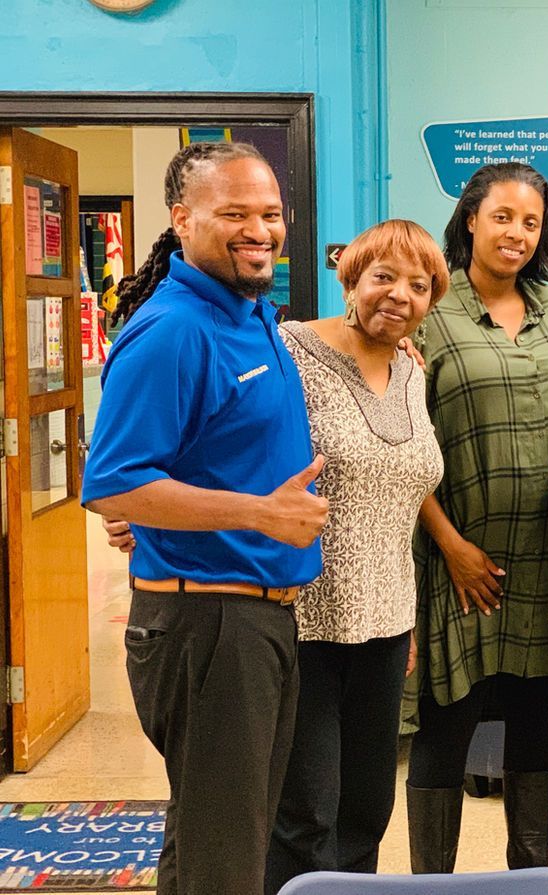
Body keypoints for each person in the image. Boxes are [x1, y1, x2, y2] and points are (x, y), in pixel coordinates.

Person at [81, 141, 329, 895]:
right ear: (182, 220)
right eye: (234, 214)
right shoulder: (174, 330)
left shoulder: (250, 314)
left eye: (269, 213)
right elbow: (114, 484)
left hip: (258, 618)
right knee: (225, 862)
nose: (260, 230)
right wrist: (260, 513)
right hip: (209, 623)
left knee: (211, 842)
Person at [261, 220, 449, 892]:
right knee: (305, 814)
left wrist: (407, 621)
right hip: (303, 621)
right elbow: (231, 443)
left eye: (418, 285)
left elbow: (403, 494)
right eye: (383, 277)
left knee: (367, 809)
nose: (399, 295)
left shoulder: (410, 371)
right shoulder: (289, 351)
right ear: (352, 280)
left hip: (387, 625)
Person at [407, 162, 548, 873]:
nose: (516, 233)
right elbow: (399, 438)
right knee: (449, 718)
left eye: (531, 222)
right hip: (461, 556)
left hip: (544, 555)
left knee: (536, 718)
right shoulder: (428, 309)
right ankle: (431, 887)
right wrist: (451, 546)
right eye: (502, 216)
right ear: (471, 218)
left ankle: (530, 879)